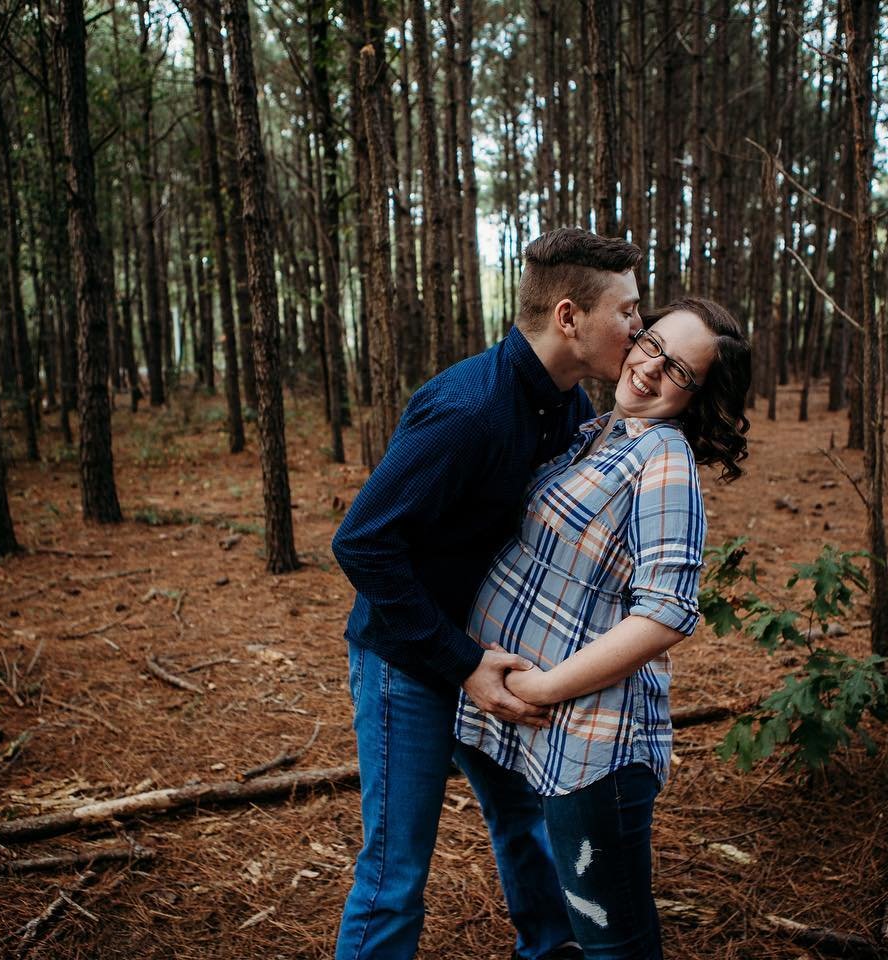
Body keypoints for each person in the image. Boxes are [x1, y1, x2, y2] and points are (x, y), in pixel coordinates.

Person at [331, 228, 645, 960]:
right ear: (569, 318)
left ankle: (550, 950)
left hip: (499, 659)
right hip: (409, 662)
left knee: (528, 823)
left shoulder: (565, 406)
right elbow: (361, 542)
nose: (639, 325)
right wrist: (460, 661)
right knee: (395, 869)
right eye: (627, 310)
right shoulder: (469, 409)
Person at [456, 298, 752, 960]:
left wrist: (543, 689)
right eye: (651, 344)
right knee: (539, 884)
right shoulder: (597, 432)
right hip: (522, 718)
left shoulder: (663, 456)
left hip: (592, 742)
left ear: (696, 398)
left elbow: (667, 612)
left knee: (611, 940)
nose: (649, 368)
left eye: (677, 369)